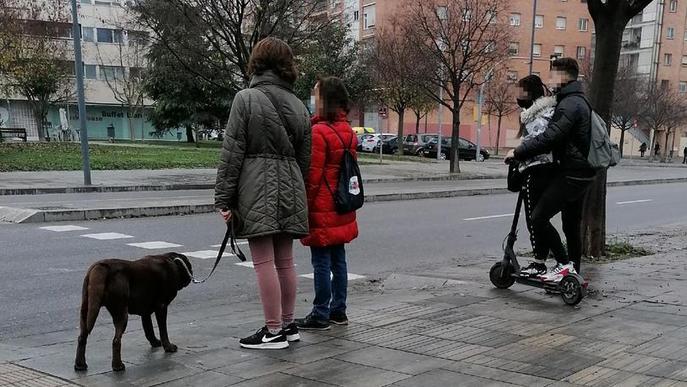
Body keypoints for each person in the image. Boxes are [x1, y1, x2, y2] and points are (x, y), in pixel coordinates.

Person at [215, 37, 311, 350]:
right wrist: (299, 192)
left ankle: (272, 332)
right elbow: (305, 161)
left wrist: (224, 198)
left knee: (263, 263)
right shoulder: (299, 106)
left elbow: (232, 153)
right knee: (286, 262)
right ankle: (288, 323)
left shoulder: (245, 99)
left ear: (257, 62)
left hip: (257, 186)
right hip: (291, 185)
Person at [506, 57, 596, 280]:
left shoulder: (569, 104)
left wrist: (517, 152)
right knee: (571, 225)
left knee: (538, 218)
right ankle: (572, 273)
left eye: (553, 74)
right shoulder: (576, 100)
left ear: (564, 76)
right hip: (583, 171)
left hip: (571, 172)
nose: (549, 80)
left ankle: (564, 266)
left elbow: (550, 137)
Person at [296, 77, 359, 330]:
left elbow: (313, 177)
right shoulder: (348, 131)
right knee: (339, 260)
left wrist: (304, 207)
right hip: (342, 204)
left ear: (324, 100)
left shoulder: (319, 132)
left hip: (322, 207)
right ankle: (339, 310)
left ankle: (320, 313)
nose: (312, 100)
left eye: (315, 95)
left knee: (320, 262)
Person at [511, 75, 559, 277]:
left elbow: (538, 143)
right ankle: (552, 260)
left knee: (535, 219)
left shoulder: (538, 116)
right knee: (538, 219)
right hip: (542, 169)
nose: (517, 96)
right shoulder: (541, 112)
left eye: (520, 91)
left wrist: (516, 153)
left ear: (529, 93)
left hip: (537, 170)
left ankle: (544, 261)